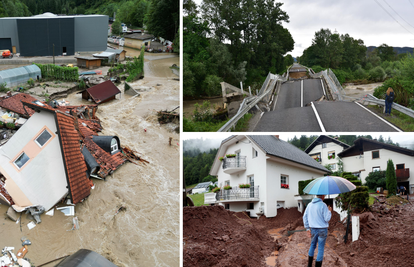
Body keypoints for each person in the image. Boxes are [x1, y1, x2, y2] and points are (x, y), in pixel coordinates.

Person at [303, 195, 332, 267]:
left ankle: (309, 265)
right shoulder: (323, 205)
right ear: (322, 196)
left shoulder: (309, 205)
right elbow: (327, 219)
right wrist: (329, 211)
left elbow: (304, 217)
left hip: (312, 229)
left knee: (312, 245)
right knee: (321, 247)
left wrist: (307, 228)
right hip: (322, 229)